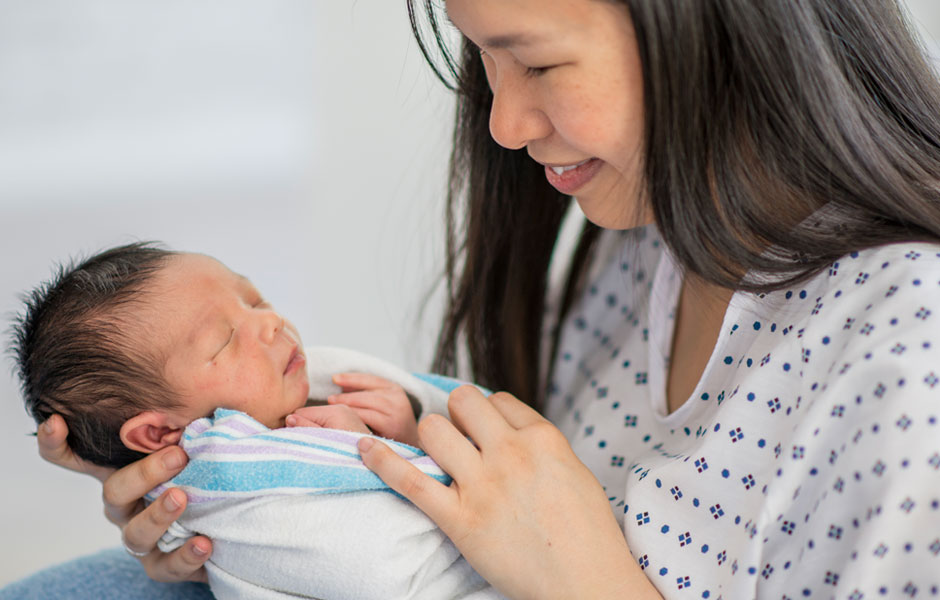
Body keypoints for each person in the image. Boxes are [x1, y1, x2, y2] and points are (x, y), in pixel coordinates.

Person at [6, 0, 940, 598]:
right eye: (483, 60)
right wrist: (227, 518)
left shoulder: (907, 365)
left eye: (536, 63)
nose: (501, 124)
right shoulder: (639, 242)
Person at [8, 243, 499, 599]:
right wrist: (373, 452)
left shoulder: (327, 387)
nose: (270, 322)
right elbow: (372, 567)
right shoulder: (229, 481)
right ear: (159, 434)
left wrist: (409, 428)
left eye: (255, 301)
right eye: (224, 341)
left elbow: (482, 465)